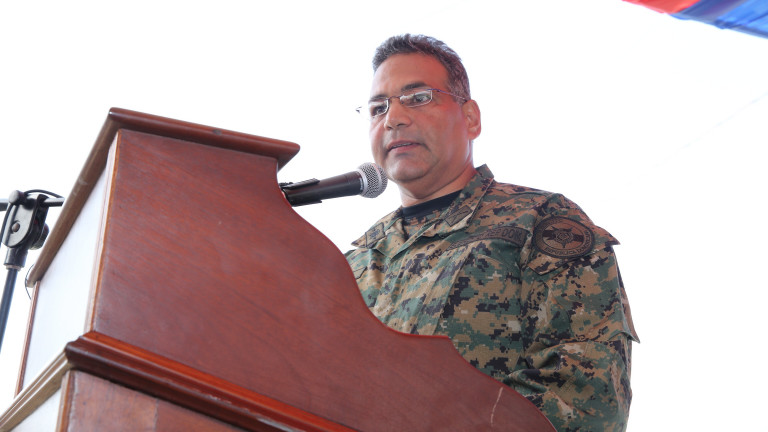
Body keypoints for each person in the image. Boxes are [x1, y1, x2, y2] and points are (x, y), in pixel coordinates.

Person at [345, 34, 639, 431]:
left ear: (470, 118)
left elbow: (586, 395)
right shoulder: (352, 264)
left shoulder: (539, 221)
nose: (393, 118)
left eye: (418, 98)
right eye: (378, 108)